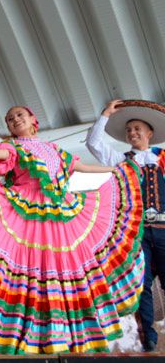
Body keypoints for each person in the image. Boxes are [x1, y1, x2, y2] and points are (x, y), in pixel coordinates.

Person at [0, 106, 145, 354]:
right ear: (9, 128)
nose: (15, 119)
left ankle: (66, 337)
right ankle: (35, 337)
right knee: (34, 274)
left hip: (61, 216)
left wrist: (118, 171)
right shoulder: (13, 148)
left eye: (19, 115)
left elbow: (82, 168)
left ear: (34, 120)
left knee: (65, 272)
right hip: (27, 216)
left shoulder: (54, 150)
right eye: (10, 119)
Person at [86, 99, 165, 352]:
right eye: (129, 130)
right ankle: (149, 339)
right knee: (140, 285)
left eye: (137, 129)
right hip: (136, 231)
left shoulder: (162, 157)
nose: (132, 133)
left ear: (149, 133)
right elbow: (94, 143)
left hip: (164, 228)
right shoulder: (121, 158)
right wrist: (105, 114)